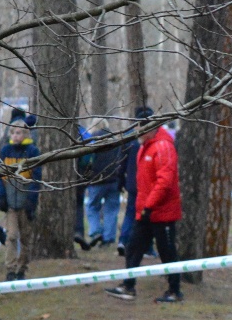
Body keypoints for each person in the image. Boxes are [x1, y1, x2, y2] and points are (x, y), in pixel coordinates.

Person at [105, 108, 183, 303]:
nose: (136, 131)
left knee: (167, 252)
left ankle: (175, 291)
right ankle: (128, 286)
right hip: (146, 212)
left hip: (161, 212)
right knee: (133, 247)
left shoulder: (163, 147)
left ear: (149, 128)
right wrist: (144, 208)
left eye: (138, 127)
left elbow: (164, 182)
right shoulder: (145, 146)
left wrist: (149, 206)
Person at [0, 109, 41, 282]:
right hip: (11, 202)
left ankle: (22, 268)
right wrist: (1, 196)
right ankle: (10, 270)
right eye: (12, 132)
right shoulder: (5, 150)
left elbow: (37, 178)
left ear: (26, 133)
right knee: (12, 236)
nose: (15, 135)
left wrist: (32, 201)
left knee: (26, 238)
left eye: (19, 132)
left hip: (26, 200)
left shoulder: (32, 152)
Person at [78, 119, 123, 248]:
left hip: (96, 179)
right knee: (111, 210)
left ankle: (96, 231)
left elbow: (87, 160)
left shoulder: (91, 140)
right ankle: (108, 238)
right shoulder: (114, 139)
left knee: (92, 207)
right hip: (113, 179)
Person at [115, 113, 142, 256]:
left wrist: (120, 182)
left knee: (130, 214)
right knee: (142, 216)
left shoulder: (128, 139)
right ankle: (143, 246)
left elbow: (121, 163)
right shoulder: (146, 140)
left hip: (131, 183)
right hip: (142, 186)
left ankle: (123, 240)